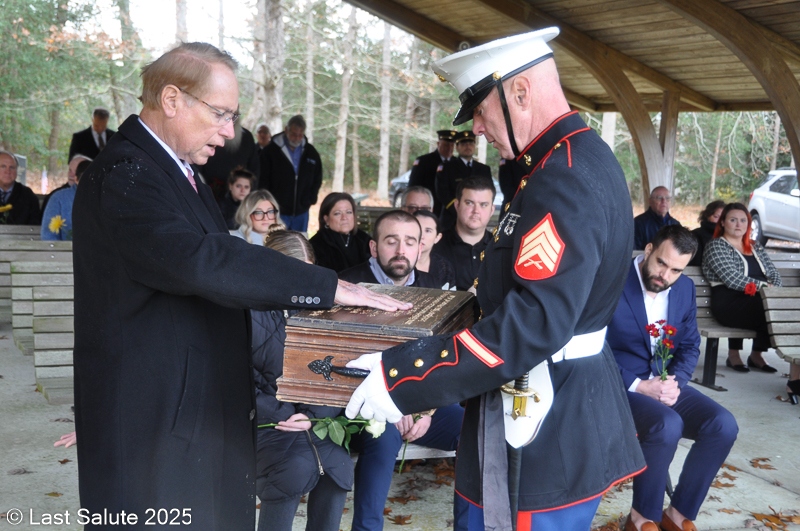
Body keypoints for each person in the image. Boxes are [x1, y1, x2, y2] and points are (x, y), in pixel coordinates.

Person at [71, 42, 408, 531]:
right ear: (171, 99)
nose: (230, 132)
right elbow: (202, 261)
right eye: (220, 114)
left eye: (233, 117)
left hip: (194, 420)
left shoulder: (176, 171)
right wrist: (326, 285)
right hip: (155, 428)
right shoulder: (126, 174)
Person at [345, 27, 645, 531]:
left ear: (520, 92)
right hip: (547, 402)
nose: (479, 129)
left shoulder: (562, 176)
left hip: (543, 420)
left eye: (481, 111)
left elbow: (536, 322)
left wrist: (402, 377)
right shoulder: (572, 159)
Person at [338, 210, 466, 531]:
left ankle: (471, 525)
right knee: (381, 441)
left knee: (476, 431)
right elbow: (340, 359)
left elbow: (445, 358)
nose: (400, 250)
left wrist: (425, 409)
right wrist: (394, 407)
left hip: (424, 403)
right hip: (363, 402)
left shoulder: (435, 288)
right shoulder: (347, 285)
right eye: (391, 241)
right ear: (373, 247)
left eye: (410, 242)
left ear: (421, 247)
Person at [607, 225, 738, 531]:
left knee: (722, 425)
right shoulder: (612, 281)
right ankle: (642, 518)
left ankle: (677, 514)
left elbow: (690, 344)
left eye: (676, 270)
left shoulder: (684, 288)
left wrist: (675, 382)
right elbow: (593, 347)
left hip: (664, 384)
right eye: (661, 263)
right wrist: (639, 385)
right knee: (667, 424)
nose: (665, 275)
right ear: (648, 250)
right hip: (618, 385)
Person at [254, 229, 353, 531]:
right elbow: (236, 380)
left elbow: (336, 371)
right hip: (266, 424)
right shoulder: (247, 312)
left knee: (338, 466)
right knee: (293, 469)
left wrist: (312, 416)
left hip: (314, 422)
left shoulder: (323, 310)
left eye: (308, 273)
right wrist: (285, 417)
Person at [702, 202, 782, 373]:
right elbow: (732, 278)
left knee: (773, 307)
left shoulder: (755, 246)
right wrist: (765, 287)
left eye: (743, 220)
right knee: (766, 307)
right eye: (733, 220)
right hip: (728, 303)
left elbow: (774, 273)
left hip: (758, 298)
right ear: (722, 222)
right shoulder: (716, 246)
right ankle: (734, 354)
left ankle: (756, 354)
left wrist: (776, 290)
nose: (739, 224)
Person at [258, 115, 321, 232]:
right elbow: (262, 179)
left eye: (300, 135)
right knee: (276, 241)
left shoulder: (311, 153)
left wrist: (310, 199)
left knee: (299, 241)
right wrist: (267, 202)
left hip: (302, 212)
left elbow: (317, 178)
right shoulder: (270, 151)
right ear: (286, 130)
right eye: (294, 134)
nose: (297, 138)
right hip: (277, 210)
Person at [431, 177, 495, 291]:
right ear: (457, 205)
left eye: (483, 205)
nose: (476, 211)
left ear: (492, 210)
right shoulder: (435, 246)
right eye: (469, 203)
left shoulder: (501, 248)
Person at [436, 130, 492, 230]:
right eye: (464, 144)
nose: (468, 146)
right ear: (457, 147)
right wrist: (460, 210)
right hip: (452, 218)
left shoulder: (484, 169)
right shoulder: (447, 167)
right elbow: (442, 193)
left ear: (475, 146)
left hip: (477, 217)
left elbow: (489, 192)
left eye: (471, 143)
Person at [309, 192, 372, 273]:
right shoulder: (315, 245)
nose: (344, 217)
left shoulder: (364, 240)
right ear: (326, 219)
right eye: (337, 213)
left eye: (348, 212)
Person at [408, 129, 457, 215]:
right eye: (446, 145)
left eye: (452, 145)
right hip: (429, 207)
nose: (449, 148)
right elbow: (413, 186)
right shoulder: (424, 161)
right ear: (438, 144)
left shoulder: (457, 163)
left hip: (451, 211)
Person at [41, 159, 90, 240]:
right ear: (76, 179)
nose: (90, 183)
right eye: (85, 179)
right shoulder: (58, 199)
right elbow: (48, 237)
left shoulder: (104, 199)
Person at [414, 209, 456, 290]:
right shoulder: (399, 263)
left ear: (437, 238)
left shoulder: (444, 267)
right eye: (417, 228)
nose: (421, 236)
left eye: (428, 231)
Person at [0, 150, 41, 225]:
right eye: (3, 167)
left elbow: (35, 226)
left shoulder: (28, 196)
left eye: (12, 167)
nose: (8, 171)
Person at [689, 200, 725, 267]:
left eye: (723, 218)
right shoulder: (694, 235)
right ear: (707, 215)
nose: (720, 221)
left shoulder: (729, 237)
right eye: (716, 217)